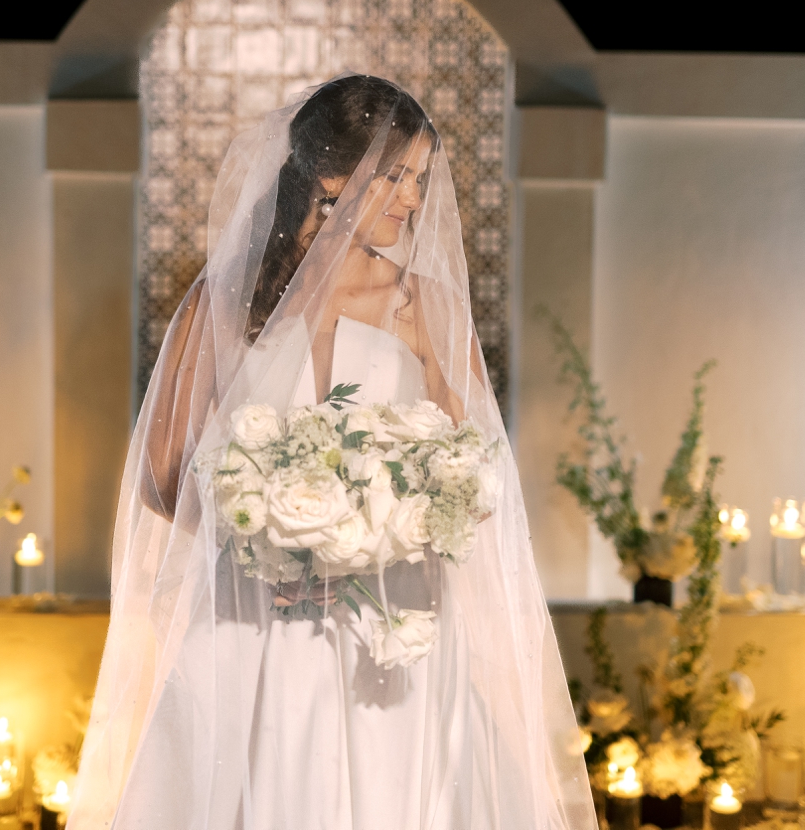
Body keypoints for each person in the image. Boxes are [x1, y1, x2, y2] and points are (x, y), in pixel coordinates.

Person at [71, 75, 593, 830]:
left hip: (391, 636)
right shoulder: (225, 304)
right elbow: (160, 474)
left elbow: (477, 479)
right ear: (329, 175)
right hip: (255, 630)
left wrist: (384, 533)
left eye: (420, 179)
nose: (414, 200)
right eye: (398, 176)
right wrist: (269, 553)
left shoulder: (425, 308)